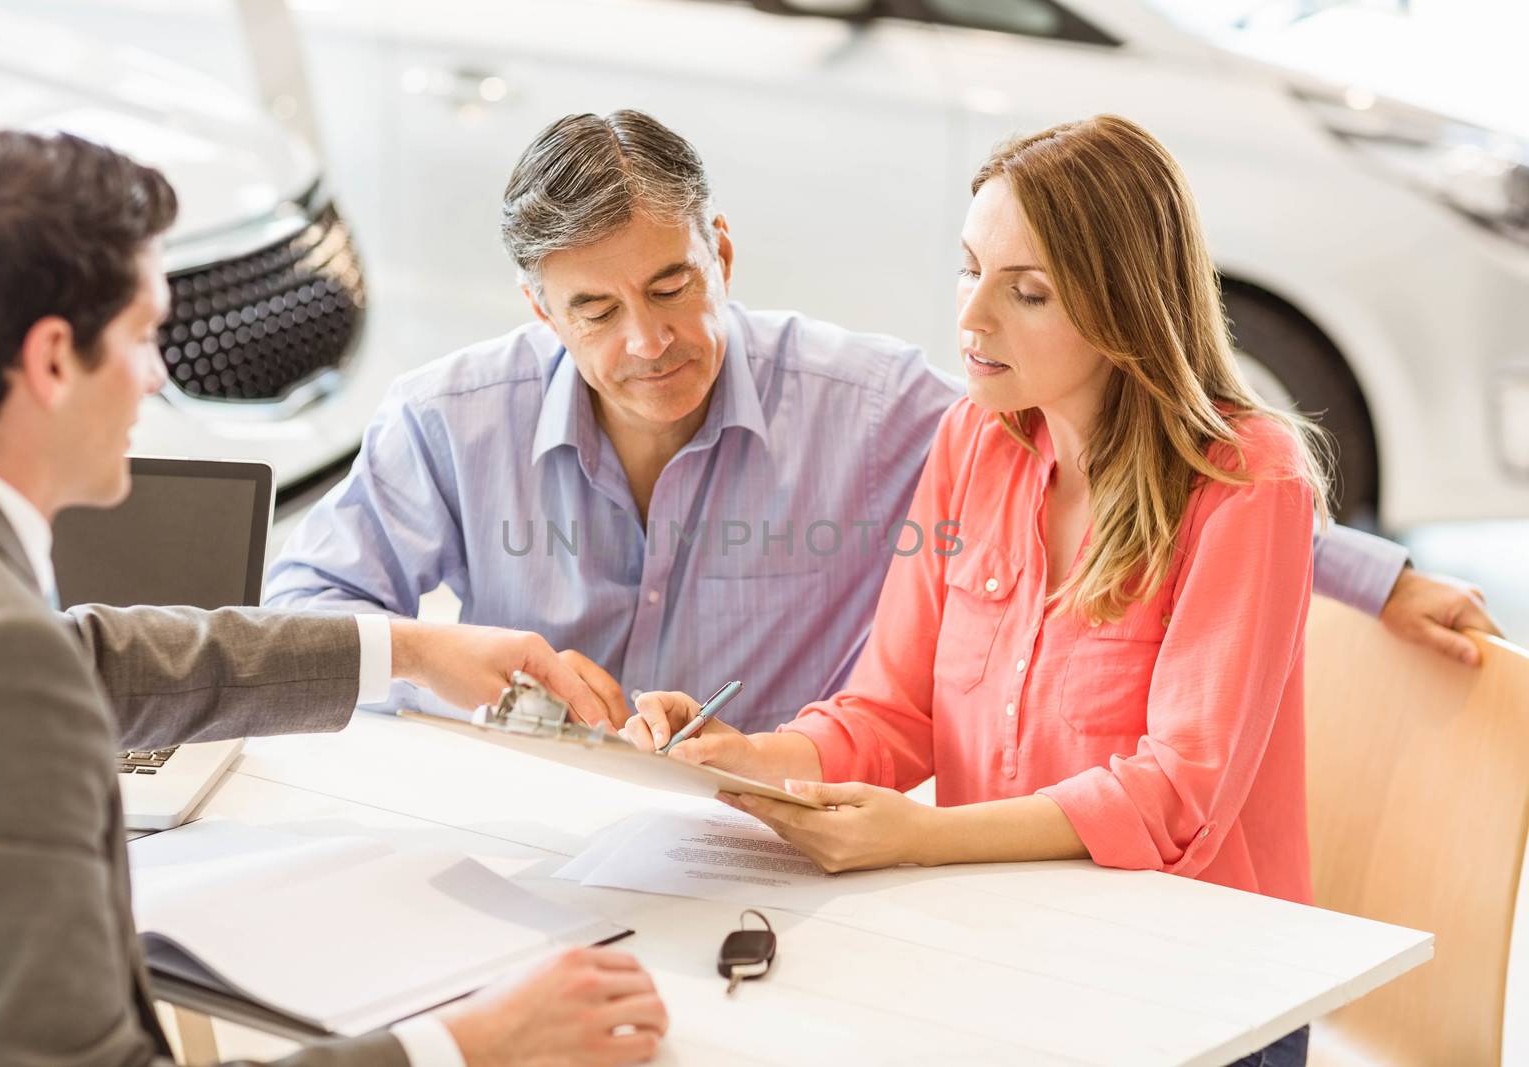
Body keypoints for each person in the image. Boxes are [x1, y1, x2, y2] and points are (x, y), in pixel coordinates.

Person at [264, 110, 1499, 737]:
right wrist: (429, 653)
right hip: (513, 856)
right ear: (538, 308)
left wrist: (1367, 577)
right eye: (595, 310)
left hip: (770, 859)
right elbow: (290, 613)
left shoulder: (873, 406)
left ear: (722, 250)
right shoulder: (445, 420)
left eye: (672, 286)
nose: (646, 341)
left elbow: (1121, 446)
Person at [623, 114, 1384, 1064]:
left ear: (1125, 309)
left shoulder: (1247, 481)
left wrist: (918, 838)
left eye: (1026, 292)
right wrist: (750, 757)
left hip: (1199, 992)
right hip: (1011, 948)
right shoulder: (972, 440)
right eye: (968, 268)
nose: (972, 316)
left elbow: (1176, 796)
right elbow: (893, 713)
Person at [0, 127, 666, 1067]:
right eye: (145, 335)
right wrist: (464, 1045)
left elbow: (85, 659)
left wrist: (407, 648)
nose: (159, 377)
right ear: (50, 361)